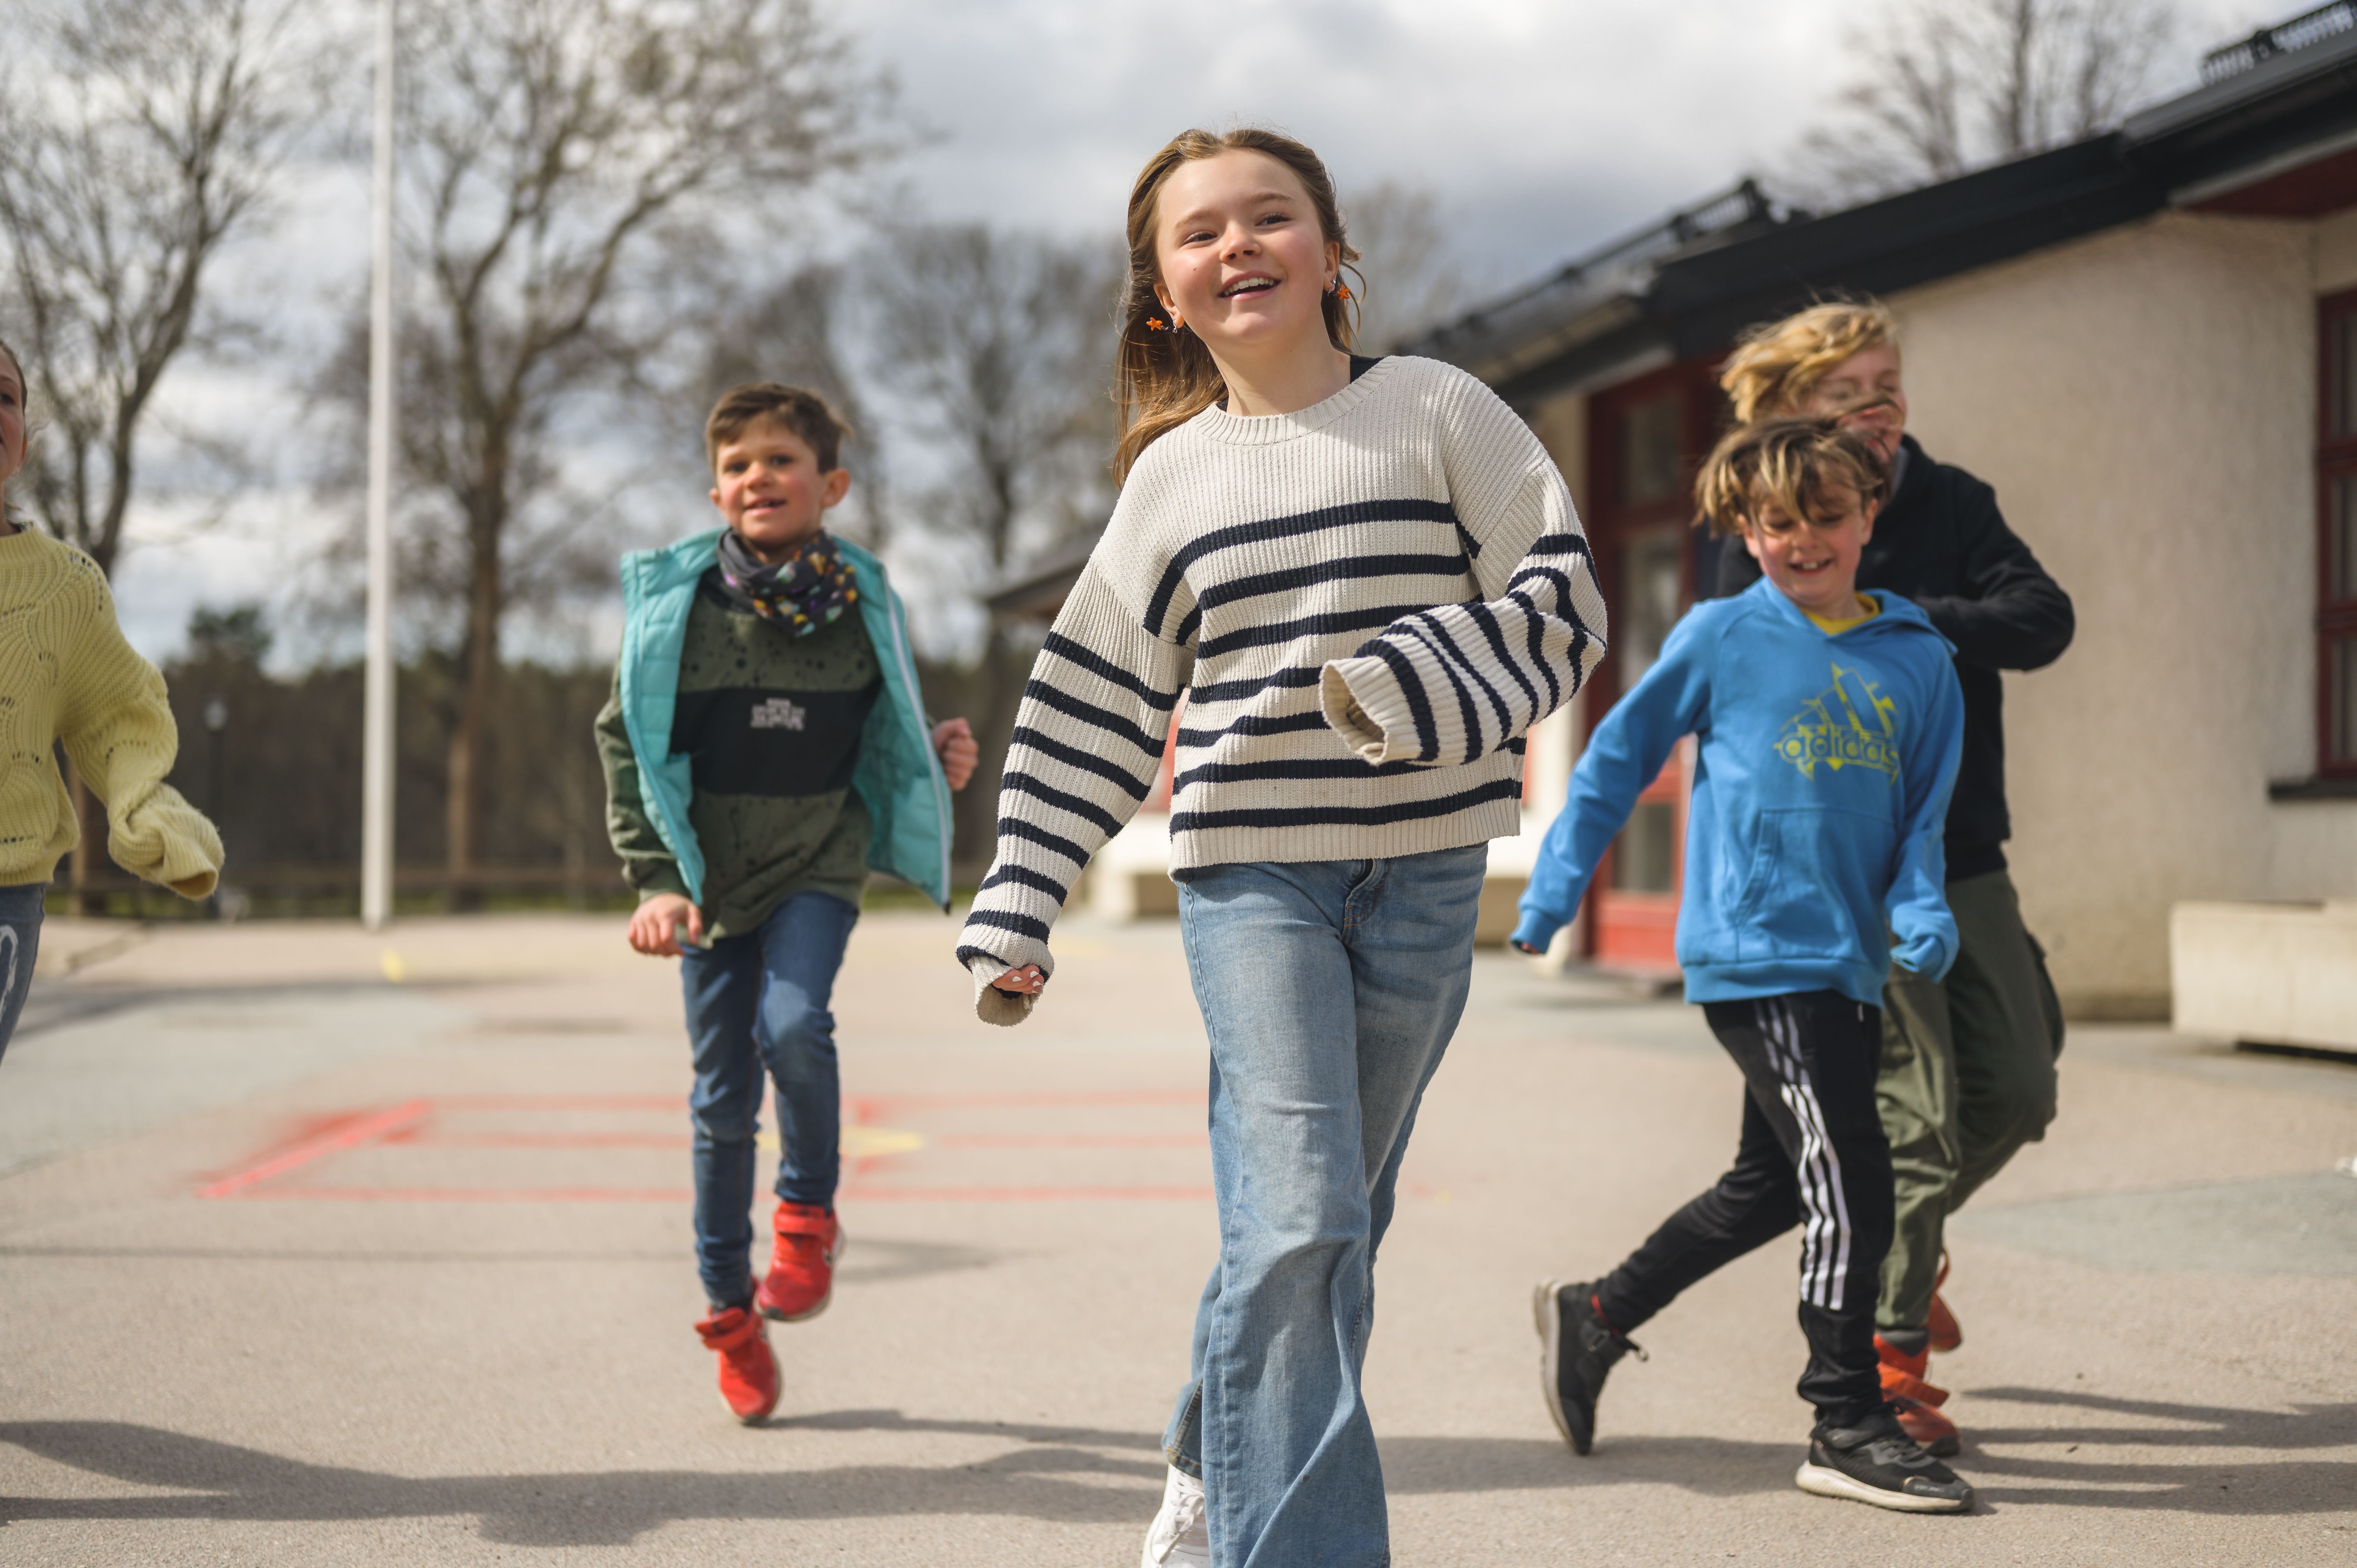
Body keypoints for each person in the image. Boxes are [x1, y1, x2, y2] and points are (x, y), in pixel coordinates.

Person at [955, 128, 1607, 1568]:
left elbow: (1562, 606)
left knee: (1321, 1220)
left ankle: (1207, 1453)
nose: (1237, 244)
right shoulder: (1168, 482)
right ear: (1161, 296)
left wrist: (1401, 688)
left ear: (1330, 252)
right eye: (1200, 233)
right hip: (1253, 880)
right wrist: (1019, 896)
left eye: (1271, 216)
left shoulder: (1439, 409)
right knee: (1304, 1213)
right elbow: (1090, 697)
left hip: (1428, 873)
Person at [1514, 416, 1972, 1513]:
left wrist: (1922, 908)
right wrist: (1553, 891)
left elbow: (1921, 822)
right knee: (1853, 1180)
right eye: (1777, 522)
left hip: (1850, 961)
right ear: (1745, 528)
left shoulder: (1918, 659)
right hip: (1755, 951)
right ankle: (1846, 1416)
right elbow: (1616, 761)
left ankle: (1597, 1315)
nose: (1803, 540)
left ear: (1869, 516)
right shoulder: (1722, 635)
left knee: (1771, 1186)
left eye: (1826, 515)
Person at [1713, 300, 2073, 1454]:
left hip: (1964, 849)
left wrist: (1905, 616)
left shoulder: (1952, 501)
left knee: (2020, 1088)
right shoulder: (1766, 520)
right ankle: (1887, 1361)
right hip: (1849, 864)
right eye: (1849, 391)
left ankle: (1898, 1259)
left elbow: (2042, 618)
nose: (1880, 406)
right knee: (1911, 1122)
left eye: (1888, 383)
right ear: (1794, 408)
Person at [594, 383, 977, 1424]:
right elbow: (629, 744)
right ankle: (730, 1313)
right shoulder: (678, 612)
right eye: (736, 465)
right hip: (712, 886)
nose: (757, 478)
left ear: (831, 485)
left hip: (818, 857)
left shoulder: (864, 603)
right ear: (715, 489)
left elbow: (888, 727)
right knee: (721, 1105)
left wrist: (934, 757)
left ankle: (807, 1216)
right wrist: (657, 880)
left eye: (780, 461)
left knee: (795, 1022)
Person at [0, 333, 222, 1063]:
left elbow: (114, 720)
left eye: (4, 397)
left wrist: (144, 808)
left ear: (23, 444)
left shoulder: (65, 589)